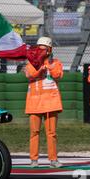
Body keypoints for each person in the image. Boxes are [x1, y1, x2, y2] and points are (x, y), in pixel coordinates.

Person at [24, 37, 64, 168]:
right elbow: (30, 74)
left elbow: (58, 75)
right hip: (34, 104)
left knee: (51, 133)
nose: (41, 51)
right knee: (34, 132)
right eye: (39, 48)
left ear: (50, 50)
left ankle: (53, 160)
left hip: (51, 103)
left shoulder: (56, 62)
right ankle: (34, 160)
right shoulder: (31, 63)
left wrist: (48, 64)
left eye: (44, 49)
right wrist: (40, 67)